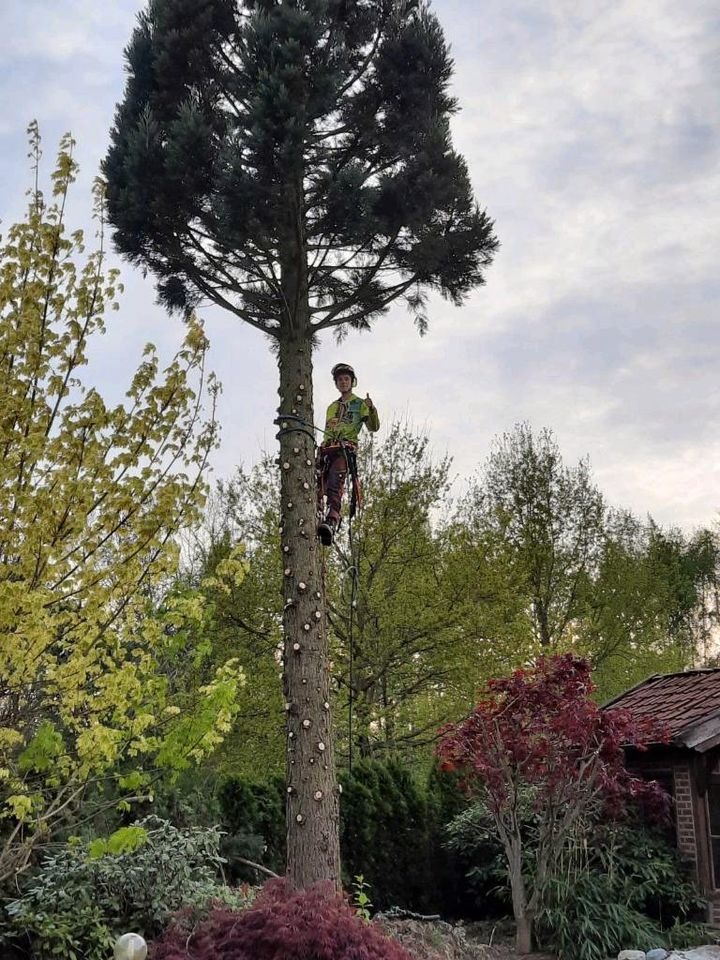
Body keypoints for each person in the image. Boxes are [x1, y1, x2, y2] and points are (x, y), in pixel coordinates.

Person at [317, 363, 379, 545]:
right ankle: (317, 515)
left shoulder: (360, 404)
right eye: (340, 379)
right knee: (317, 484)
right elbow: (328, 429)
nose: (343, 382)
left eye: (346, 379)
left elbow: (373, 427)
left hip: (345, 448)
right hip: (327, 449)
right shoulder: (332, 407)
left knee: (335, 484)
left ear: (352, 382)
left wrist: (372, 409)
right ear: (336, 383)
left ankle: (332, 520)